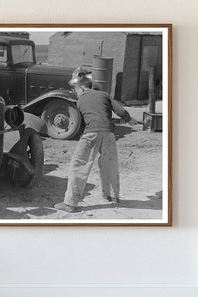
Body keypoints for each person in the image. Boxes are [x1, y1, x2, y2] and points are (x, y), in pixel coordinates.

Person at [54, 75, 138, 213]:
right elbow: (120, 111)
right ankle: (112, 196)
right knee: (110, 164)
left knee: (79, 166)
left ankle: (70, 203)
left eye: (75, 89)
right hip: (109, 134)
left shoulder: (80, 100)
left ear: (81, 87)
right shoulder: (105, 95)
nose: (75, 92)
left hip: (91, 134)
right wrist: (129, 120)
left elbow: (80, 123)